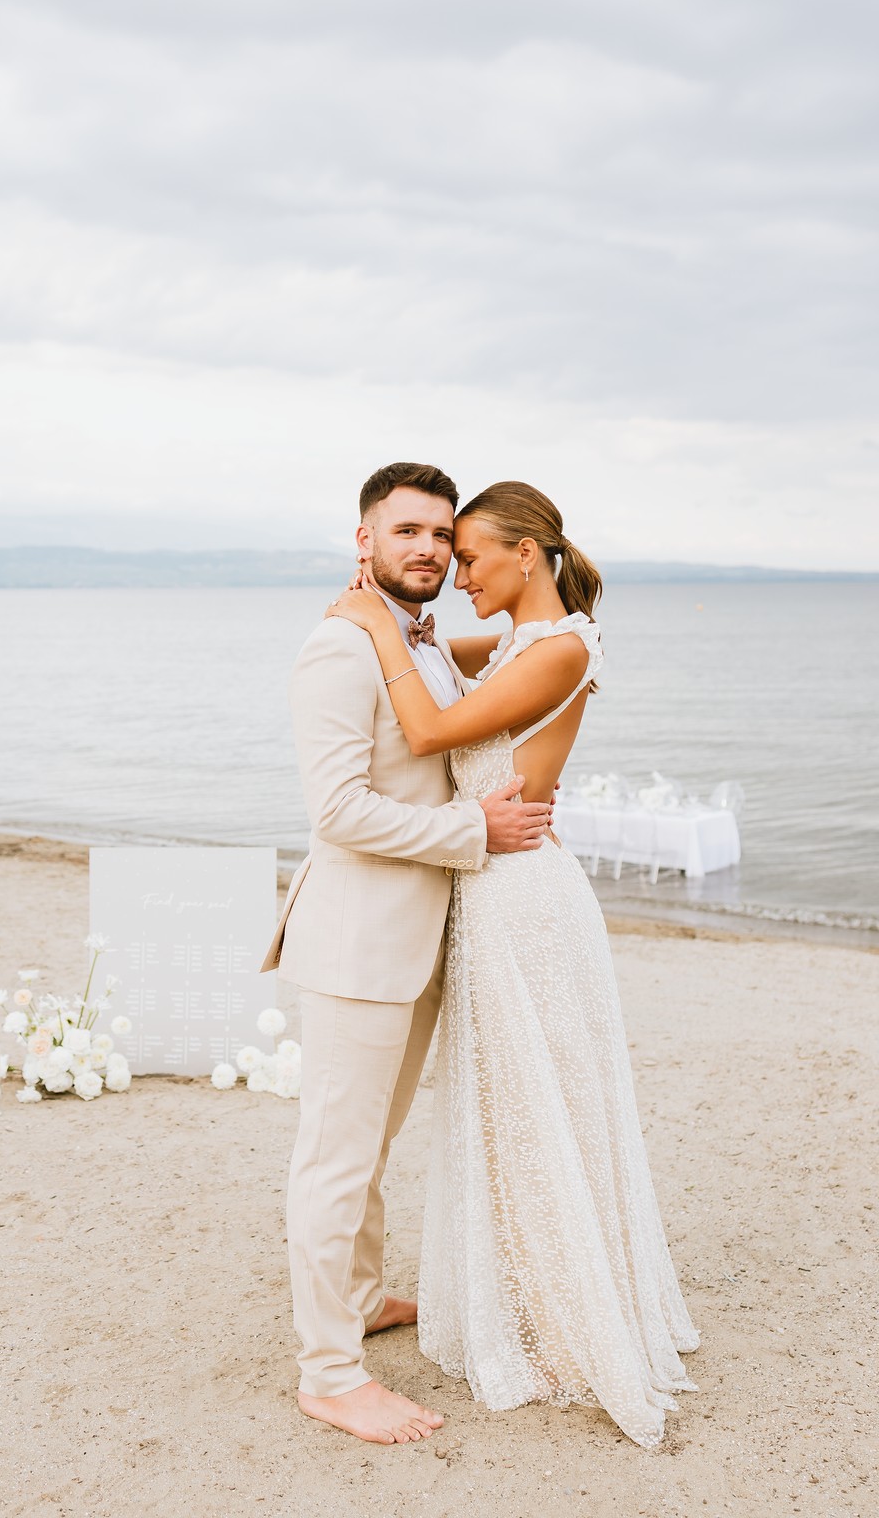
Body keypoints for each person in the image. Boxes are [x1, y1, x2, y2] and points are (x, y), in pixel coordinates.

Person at [326, 478, 699, 1450]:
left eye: (473, 556)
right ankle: (535, 1295)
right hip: (488, 887)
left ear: (525, 554)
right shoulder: (525, 642)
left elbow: (430, 728)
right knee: (508, 1108)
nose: (457, 574)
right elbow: (433, 664)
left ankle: (564, 1321)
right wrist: (388, 622)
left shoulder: (562, 644)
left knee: (537, 1105)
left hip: (521, 896)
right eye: (443, 553)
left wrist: (369, 617)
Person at [261, 463, 556, 1446]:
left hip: (415, 941)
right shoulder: (339, 652)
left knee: (369, 1145)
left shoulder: (418, 640)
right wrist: (475, 832)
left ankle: (357, 1297)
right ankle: (329, 1373)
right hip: (357, 945)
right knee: (335, 1159)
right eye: (407, 533)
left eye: (441, 535)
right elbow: (338, 812)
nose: (428, 549)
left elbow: (479, 686)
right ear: (363, 542)